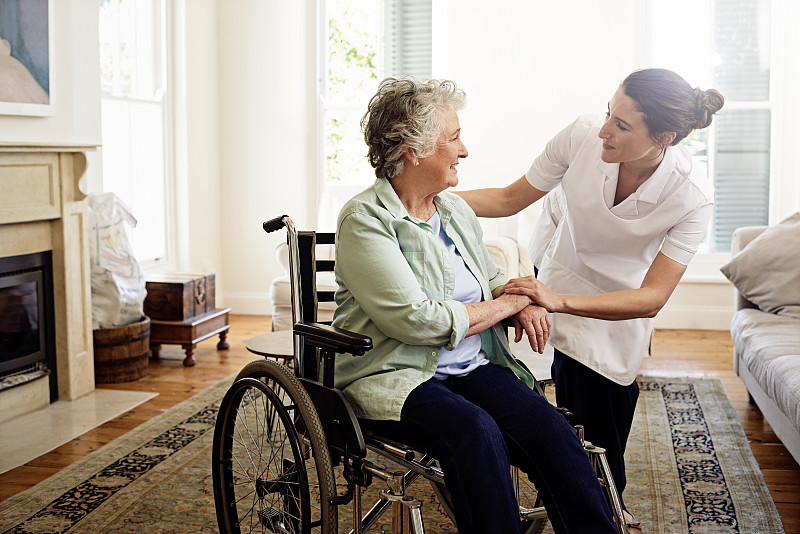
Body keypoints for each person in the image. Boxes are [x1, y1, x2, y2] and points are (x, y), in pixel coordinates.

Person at [331, 77, 618, 534]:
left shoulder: (454, 211)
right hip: (394, 374)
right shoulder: (365, 220)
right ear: (413, 150)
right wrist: (508, 305)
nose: (464, 151)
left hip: (469, 366)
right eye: (454, 138)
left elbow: (489, 280)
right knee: (475, 432)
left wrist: (518, 297)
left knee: (553, 434)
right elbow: (419, 321)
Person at [456, 68, 725, 530]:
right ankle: (581, 500)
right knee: (563, 411)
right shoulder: (582, 135)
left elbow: (653, 296)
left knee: (602, 426)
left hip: (620, 305)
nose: (604, 129)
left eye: (621, 125)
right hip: (561, 275)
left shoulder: (691, 196)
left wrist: (558, 301)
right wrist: (425, 195)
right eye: (608, 112)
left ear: (664, 137)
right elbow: (507, 198)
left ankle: (603, 501)